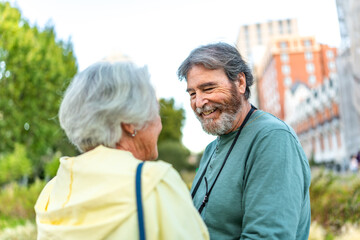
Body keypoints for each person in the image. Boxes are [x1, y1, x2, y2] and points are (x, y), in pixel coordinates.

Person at [35, 59, 209, 240]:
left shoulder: (52, 191)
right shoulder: (154, 183)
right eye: (155, 111)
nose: (159, 123)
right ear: (130, 123)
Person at [177, 42, 311, 239]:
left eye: (208, 88)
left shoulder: (273, 138)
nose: (198, 102)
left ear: (240, 82)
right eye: (192, 94)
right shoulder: (211, 149)